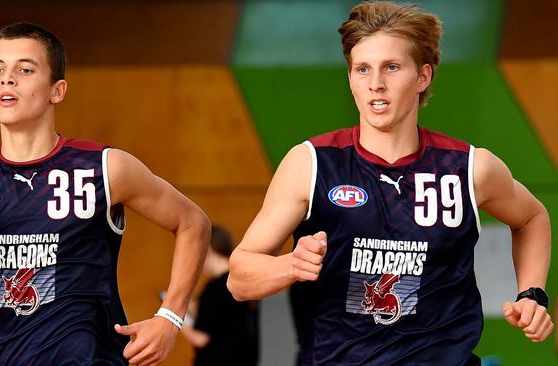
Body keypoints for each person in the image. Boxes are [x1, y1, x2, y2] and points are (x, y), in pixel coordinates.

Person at [227, 1, 553, 365]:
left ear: (423, 76)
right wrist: (290, 266)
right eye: (362, 69)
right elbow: (239, 278)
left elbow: (531, 218)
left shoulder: (470, 168)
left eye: (392, 67)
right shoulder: (311, 163)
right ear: (350, 77)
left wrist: (532, 293)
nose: (375, 84)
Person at [0, 22, 210, 365]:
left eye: (24, 70)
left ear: (57, 90)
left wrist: (170, 318)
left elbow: (193, 222)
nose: (6, 79)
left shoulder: (104, 166)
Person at [180, 225, 259, 366]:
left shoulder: (215, 287)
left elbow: (200, 338)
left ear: (207, 249)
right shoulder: (243, 280)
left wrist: (175, 317)